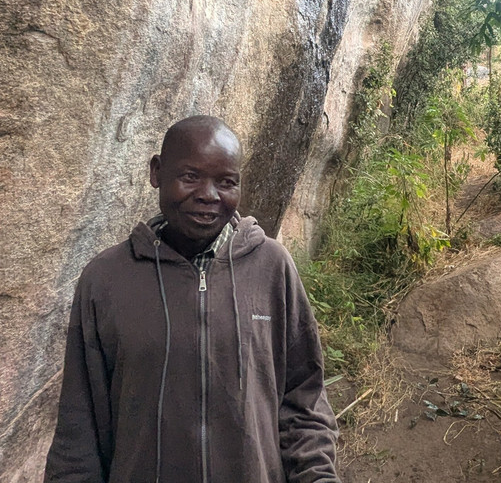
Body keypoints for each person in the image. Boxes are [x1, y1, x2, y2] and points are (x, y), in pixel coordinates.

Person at [44, 115, 339, 483]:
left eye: (226, 182)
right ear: (157, 173)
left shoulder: (271, 268)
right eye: (190, 177)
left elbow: (304, 401)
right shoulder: (105, 279)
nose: (209, 195)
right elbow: (79, 427)